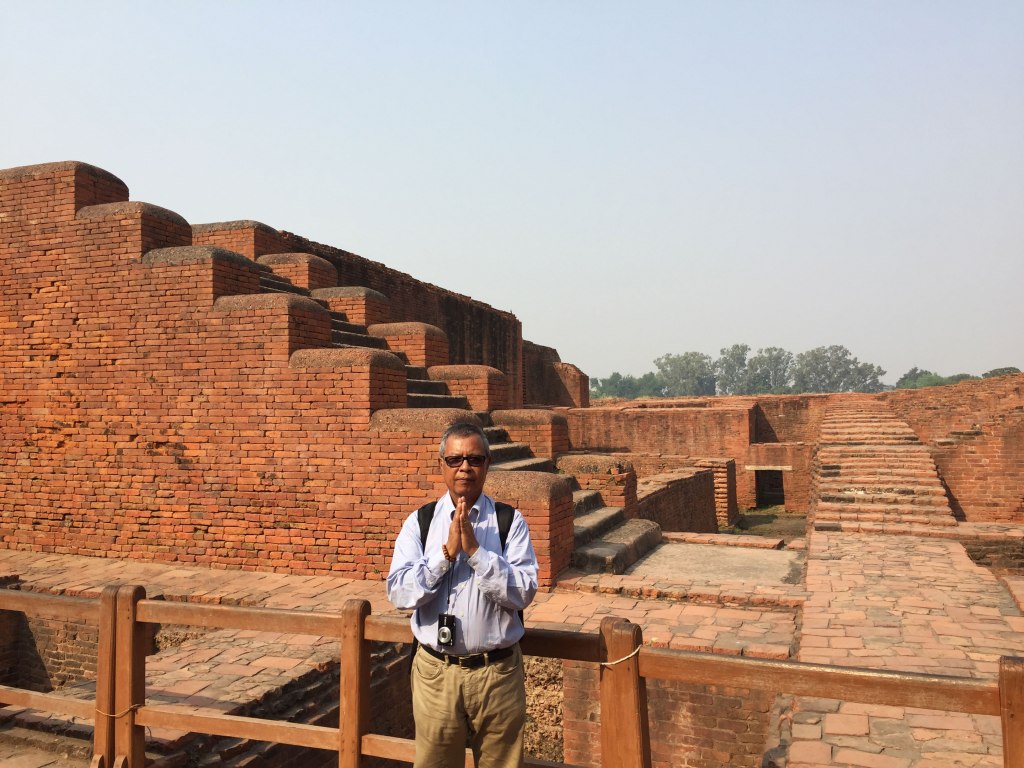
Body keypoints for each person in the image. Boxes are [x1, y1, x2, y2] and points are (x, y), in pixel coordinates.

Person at [386, 421, 539, 768]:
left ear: (487, 464)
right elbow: (399, 593)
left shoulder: (508, 522)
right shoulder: (421, 522)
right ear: (441, 465)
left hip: (496, 673)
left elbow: (523, 592)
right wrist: (445, 555)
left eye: (474, 459)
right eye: (455, 460)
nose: (465, 468)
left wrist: (476, 553)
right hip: (436, 673)